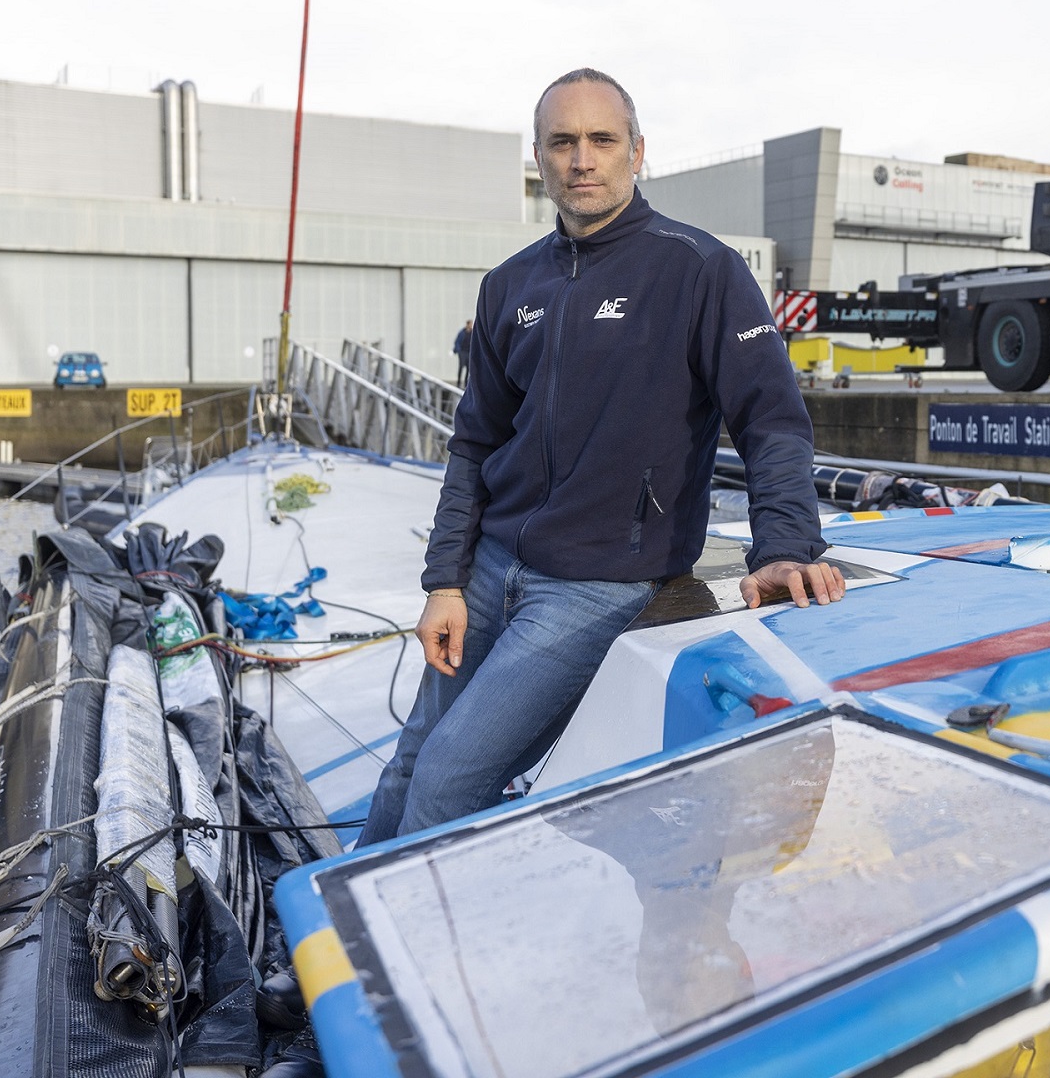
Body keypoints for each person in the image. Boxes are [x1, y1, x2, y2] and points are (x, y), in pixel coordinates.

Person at [359, 68, 844, 844]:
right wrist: (445, 578)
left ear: (637, 152)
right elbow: (475, 443)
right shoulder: (510, 285)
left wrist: (784, 547)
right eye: (562, 142)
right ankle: (323, 949)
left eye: (601, 140)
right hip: (488, 572)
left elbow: (772, 421)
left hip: (595, 586)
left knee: (451, 774)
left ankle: (399, 959)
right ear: (541, 160)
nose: (582, 159)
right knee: (411, 758)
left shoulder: (699, 270)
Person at [452, 319, 472, 386]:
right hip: (462, 352)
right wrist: (458, 350)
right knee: (461, 366)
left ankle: (466, 383)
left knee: (468, 368)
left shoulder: (472, 333)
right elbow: (457, 341)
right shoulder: (462, 332)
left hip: (469, 352)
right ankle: (459, 382)